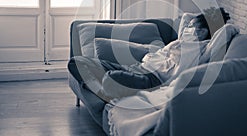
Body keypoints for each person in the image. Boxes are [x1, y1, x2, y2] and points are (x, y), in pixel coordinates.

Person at [69, 7, 231, 100]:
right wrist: (204, 19)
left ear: (203, 32)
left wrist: (218, 24)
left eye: (192, 26)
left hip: (151, 80)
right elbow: (187, 16)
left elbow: (228, 31)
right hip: (135, 67)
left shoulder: (199, 49)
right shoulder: (184, 39)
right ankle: (102, 90)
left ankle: (104, 86)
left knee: (112, 77)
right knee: (76, 62)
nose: (187, 27)